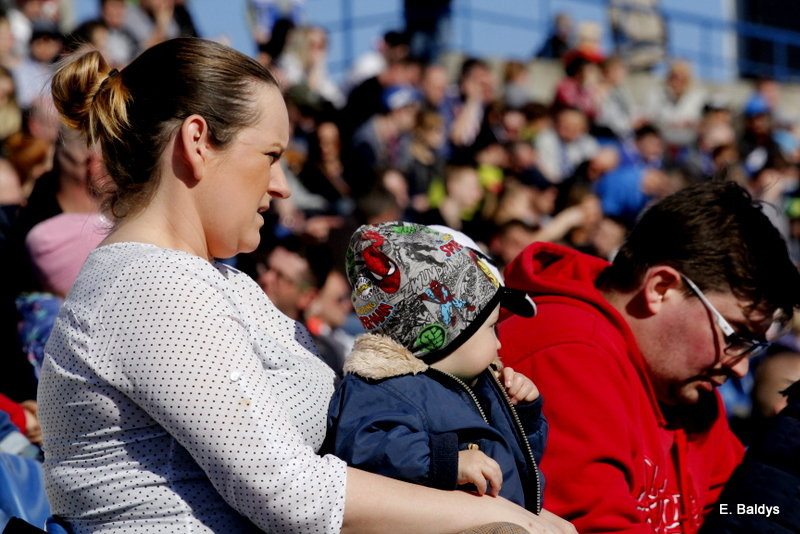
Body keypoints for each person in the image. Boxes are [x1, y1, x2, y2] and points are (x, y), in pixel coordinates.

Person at [38, 37, 574, 534]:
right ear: (198, 142)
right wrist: (510, 520)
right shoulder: (148, 288)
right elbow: (292, 495)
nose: (282, 186)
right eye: (271, 156)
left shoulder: (209, 279)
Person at [497, 181, 800, 533]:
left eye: (753, 346)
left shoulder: (684, 384)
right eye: (734, 334)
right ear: (661, 288)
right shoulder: (567, 351)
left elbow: (733, 505)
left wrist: (781, 505)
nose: (741, 366)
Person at [326, 221, 546, 512]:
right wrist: (445, 462)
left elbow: (517, 461)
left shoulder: (476, 380)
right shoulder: (383, 386)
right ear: (447, 334)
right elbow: (365, 447)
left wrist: (523, 414)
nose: (499, 346)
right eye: (492, 328)